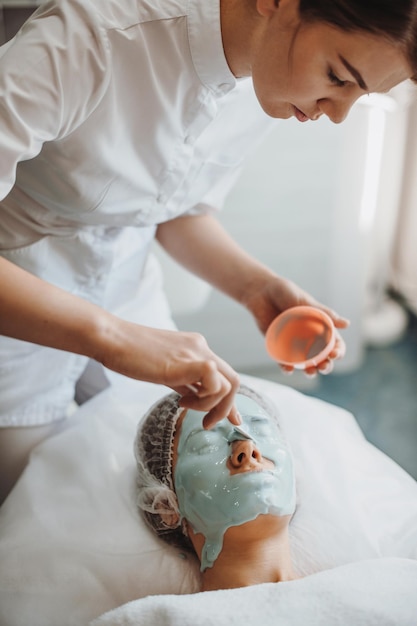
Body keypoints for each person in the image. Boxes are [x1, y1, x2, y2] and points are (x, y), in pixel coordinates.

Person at [1, 0, 415, 501]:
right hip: (17, 300)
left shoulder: (262, 76)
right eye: (337, 76)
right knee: (33, 500)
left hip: (127, 286)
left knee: (163, 481)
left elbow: (173, 208)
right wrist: (111, 338)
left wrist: (254, 286)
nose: (337, 114)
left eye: (361, 94)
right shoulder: (93, 39)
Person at [135, 383, 299, 590]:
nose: (248, 447)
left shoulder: (350, 588)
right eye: (207, 444)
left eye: (262, 432)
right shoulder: (156, 621)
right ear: (167, 506)